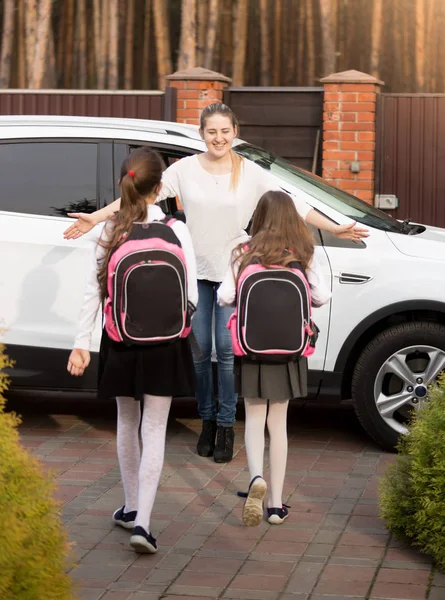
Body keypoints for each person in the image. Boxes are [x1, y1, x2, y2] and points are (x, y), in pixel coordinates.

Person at [63, 102, 367, 464]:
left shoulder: (251, 172)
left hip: (231, 275)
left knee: (225, 353)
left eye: (225, 131)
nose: (218, 137)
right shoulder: (185, 170)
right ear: (202, 134)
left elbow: (294, 203)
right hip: (194, 274)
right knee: (199, 350)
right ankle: (206, 418)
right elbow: (136, 197)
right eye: (211, 131)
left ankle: (225, 426)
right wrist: (95, 218)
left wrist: (334, 227)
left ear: (235, 132)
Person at [67, 147, 198, 553]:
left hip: (120, 338)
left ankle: (129, 505)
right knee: (155, 427)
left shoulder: (110, 231)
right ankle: (143, 521)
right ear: (159, 188)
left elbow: (95, 290)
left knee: (127, 420)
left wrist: (80, 343)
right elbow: (190, 293)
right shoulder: (177, 230)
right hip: (165, 341)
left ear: (124, 183)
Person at [217, 190, 331, 527]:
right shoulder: (303, 251)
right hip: (289, 350)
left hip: (252, 348)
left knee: (253, 417)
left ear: (260, 218)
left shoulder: (243, 251)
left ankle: (255, 480)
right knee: (277, 424)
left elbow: (225, 295)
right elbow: (321, 296)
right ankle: (277, 505)